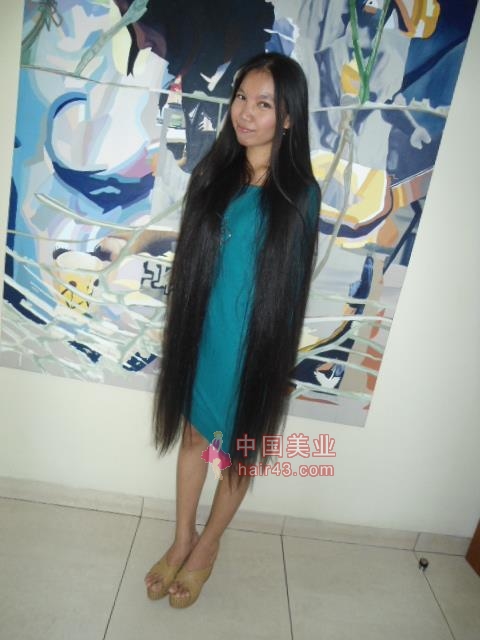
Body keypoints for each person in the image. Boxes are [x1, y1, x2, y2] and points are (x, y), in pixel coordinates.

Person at [145, 52, 321, 608]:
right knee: (195, 438)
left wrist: (275, 366)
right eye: (242, 97)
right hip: (203, 339)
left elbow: (290, 291)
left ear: (288, 117)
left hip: (254, 349)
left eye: (264, 104)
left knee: (238, 453)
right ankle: (182, 538)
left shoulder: (299, 194)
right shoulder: (213, 174)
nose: (245, 113)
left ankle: (207, 546)